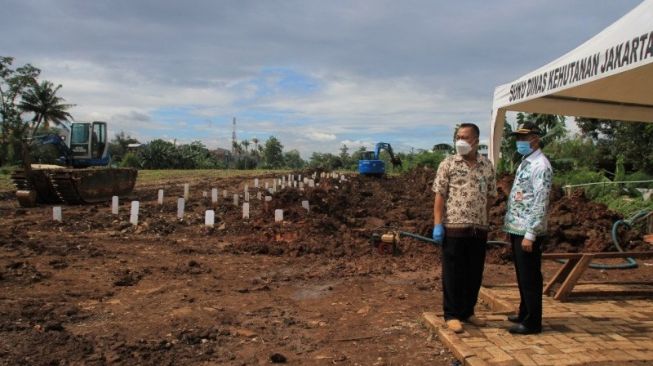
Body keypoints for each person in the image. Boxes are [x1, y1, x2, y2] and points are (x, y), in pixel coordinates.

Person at [432, 123, 497, 334]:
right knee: (453, 272)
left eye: (465, 137)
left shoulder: (486, 165)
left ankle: (468, 311)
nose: (460, 140)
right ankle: (451, 314)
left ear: (476, 141)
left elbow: (490, 197)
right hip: (453, 227)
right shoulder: (448, 164)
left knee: (474, 272)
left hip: (478, 229)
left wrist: (482, 218)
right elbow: (440, 196)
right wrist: (437, 224)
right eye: (457, 136)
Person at [503, 121, 553, 335]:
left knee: (530, 278)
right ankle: (524, 312)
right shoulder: (525, 162)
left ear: (535, 138)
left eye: (524, 138)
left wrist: (530, 235)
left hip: (527, 232)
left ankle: (533, 322)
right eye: (518, 138)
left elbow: (541, 201)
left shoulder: (541, 165)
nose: (520, 142)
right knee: (522, 276)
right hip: (517, 228)